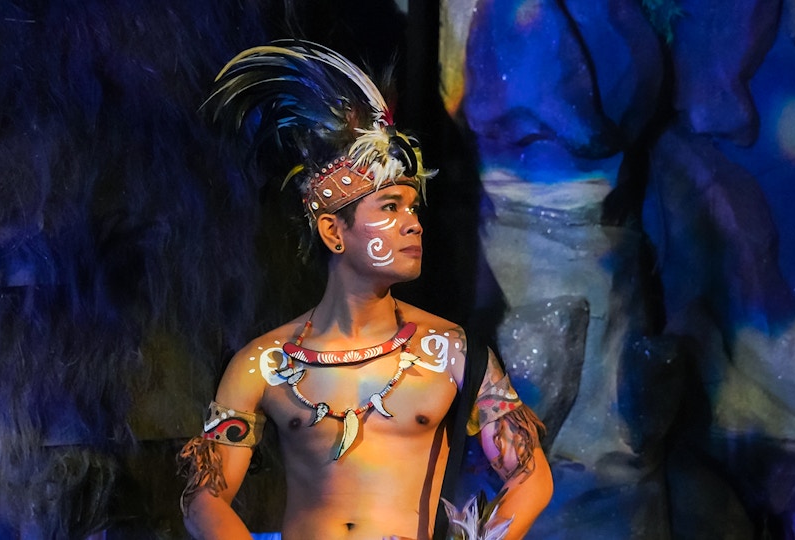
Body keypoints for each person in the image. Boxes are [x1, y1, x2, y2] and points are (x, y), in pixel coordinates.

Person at [178, 40, 553, 540]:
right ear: (334, 232)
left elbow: (531, 476)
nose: (414, 224)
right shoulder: (262, 363)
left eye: (414, 209)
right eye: (391, 208)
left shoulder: (450, 352)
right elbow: (203, 496)